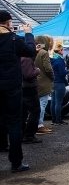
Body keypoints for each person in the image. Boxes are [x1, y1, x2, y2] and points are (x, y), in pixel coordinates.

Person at [0, 11, 36, 172]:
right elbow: (30, 51)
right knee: (14, 123)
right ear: (8, 23)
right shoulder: (13, 39)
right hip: (12, 86)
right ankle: (16, 162)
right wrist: (28, 34)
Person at [33, 35, 54, 135]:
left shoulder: (32, 51)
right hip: (44, 81)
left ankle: (35, 124)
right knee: (42, 104)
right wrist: (52, 77)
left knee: (36, 104)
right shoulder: (44, 53)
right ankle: (39, 125)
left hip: (34, 80)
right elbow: (48, 68)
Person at [49, 42, 68, 126]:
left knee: (53, 102)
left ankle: (53, 120)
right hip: (59, 82)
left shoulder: (52, 58)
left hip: (53, 82)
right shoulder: (60, 60)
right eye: (63, 50)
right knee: (59, 102)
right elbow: (62, 73)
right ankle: (59, 120)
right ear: (60, 50)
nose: (63, 51)